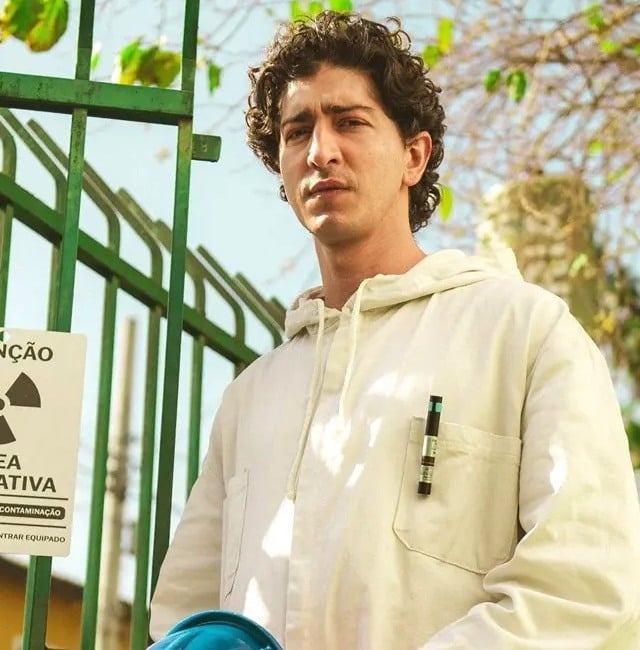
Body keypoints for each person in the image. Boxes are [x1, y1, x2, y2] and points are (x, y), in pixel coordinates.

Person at [149, 10, 640, 648]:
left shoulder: (523, 333)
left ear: (414, 155)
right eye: (298, 131)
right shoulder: (252, 395)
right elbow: (182, 619)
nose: (321, 151)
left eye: (349, 121)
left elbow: (587, 588)